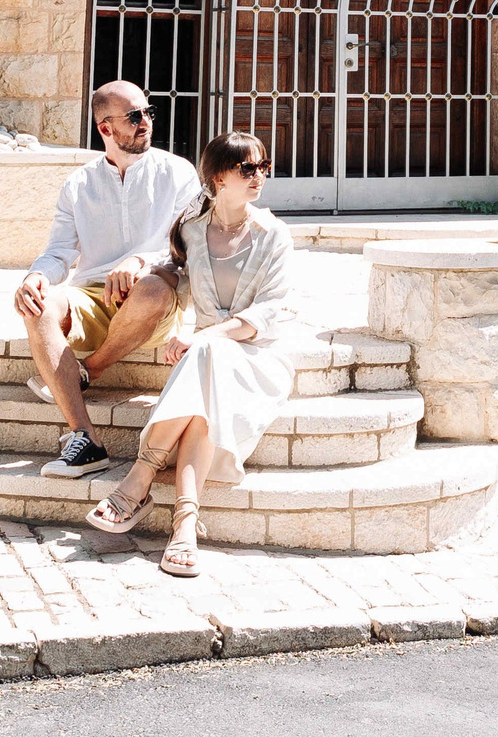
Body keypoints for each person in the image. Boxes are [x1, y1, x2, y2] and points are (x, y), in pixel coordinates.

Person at [84, 131, 296, 578]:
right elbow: (174, 271)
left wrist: (204, 337)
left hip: (257, 356)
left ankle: (138, 481)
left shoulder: (274, 234)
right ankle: (185, 524)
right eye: (247, 169)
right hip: (208, 359)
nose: (259, 176)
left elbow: (271, 312)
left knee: (208, 355)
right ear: (218, 177)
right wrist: (143, 269)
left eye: (264, 166)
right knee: (207, 370)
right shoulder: (191, 230)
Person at [15, 81, 201, 479]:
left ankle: (90, 371)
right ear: (105, 128)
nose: (145, 123)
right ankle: (85, 440)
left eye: (147, 113)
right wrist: (34, 277)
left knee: (151, 287)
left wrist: (141, 261)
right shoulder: (79, 184)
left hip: (154, 297)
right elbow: (59, 252)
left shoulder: (178, 173)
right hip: (92, 299)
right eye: (134, 117)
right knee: (39, 304)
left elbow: (188, 248)